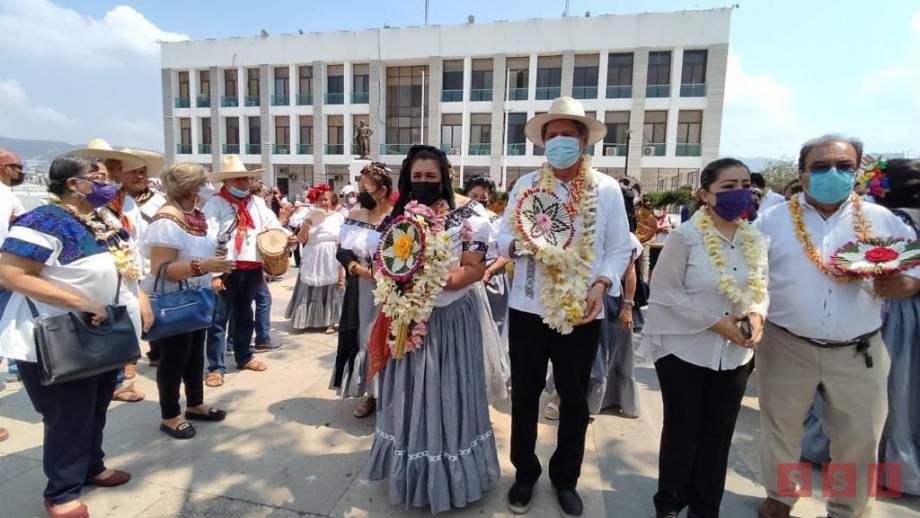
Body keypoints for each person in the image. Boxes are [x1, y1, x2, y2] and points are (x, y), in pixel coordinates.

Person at [755, 135, 920, 518]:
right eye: (821, 167)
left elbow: (914, 267)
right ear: (802, 173)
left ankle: (846, 508)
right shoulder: (772, 221)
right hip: (786, 343)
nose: (833, 174)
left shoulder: (883, 220)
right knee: (781, 428)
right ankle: (780, 496)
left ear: (857, 172)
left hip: (858, 347)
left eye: (844, 167)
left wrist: (910, 284)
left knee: (858, 437)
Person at [497, 97, 633, 516]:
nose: (559, 142)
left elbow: (619, 248)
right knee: (524, 394)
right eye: (551, 135)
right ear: (542, 142)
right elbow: (501, 241)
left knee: (575, 398)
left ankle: (565, 478)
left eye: (567, 136)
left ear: (584, 142)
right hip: (527, 307)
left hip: (581, 310)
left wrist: (603, 283)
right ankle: (524, 473)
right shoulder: (524, 187)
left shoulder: (606, 190)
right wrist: (528, 242)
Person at [0, 155, 154, 518]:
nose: (109, 183)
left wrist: (141, 300)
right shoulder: (42, 220)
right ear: (73, 183)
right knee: (68, 416)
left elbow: (127, 268)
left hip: (102, 333)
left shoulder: (105, 218)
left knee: (96, 407)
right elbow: (11, 273)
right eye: (98, 177)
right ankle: (61, 492)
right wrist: (80, 300)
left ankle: (91, 467)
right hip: (58, 338)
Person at [367, 145, 500, 514]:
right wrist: (396, 282)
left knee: (448, 394)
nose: (424, 183)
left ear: (444, 176)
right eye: (417, 177)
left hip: (452, 321)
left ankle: (453, 477)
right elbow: (385, 260)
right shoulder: (400, 215)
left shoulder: (470, 214)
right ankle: (413, 474)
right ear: (408, 178)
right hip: (406, 318)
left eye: (431, 176)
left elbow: (474, 269)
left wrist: (433, 279)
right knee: (412, 396)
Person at [642, 158, 769, 518]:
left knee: (718, 436)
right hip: (685, 350)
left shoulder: (755, 238)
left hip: (736, 356)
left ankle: (705, 508)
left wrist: (758, 315)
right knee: (683, 433)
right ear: (705, 195)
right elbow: (666, 293)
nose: (740, 192)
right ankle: (668, 504)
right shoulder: (686, 237)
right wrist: (718, 323)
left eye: (745, 184)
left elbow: (761, 287)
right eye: (728, 186)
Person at [142, 163, 234, 439]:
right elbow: (161, 267)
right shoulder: (166, 220)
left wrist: (213, 262)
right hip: (174, 298)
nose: (209, 187)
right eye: (204, 182)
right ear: (191, 187)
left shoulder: (194, 214)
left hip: (197, 293)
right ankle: (170, 414)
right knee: (174, 358)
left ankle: (195, 403)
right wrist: (202, 265)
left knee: (195, 354)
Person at [203, 156, 293, 387]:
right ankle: (215, 366)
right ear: (227, 180)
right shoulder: (215, 204)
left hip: (252, 267)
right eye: (240, 179)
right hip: (226, 268)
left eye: (246, 178)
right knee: (219, 319)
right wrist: (214, 274)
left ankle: (244, 356)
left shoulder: (257, 203)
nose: (245, 183)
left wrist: (282, 238)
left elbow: (271, 226)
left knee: (245, 315)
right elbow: (208, 238)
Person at [73, 139, 148, 403]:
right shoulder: (64, 214)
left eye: (114, 169)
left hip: (125, 280)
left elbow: (135, 239)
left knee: (121, 328)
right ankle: (112, 382)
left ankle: (117, 379)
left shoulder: (123, 204)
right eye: (103, 172)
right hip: (89, 292)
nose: (111, 176)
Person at [331, 162, 393, 418]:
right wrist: (360, 270)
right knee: (363, 337)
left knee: (389, 339)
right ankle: (370, 393)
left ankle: (391, 393)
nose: (360, 194)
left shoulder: (398, 216)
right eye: (359, 189)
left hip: (390, 290)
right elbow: (342, 250)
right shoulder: (355, 216)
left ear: (383, 190)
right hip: (361, 287)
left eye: (366, 189)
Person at [285, 184, 345, 333]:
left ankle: (332, 320)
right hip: (312, 253)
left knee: (332, 286)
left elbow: (342, 239)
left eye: (325, 199)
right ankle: (306, 320)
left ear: (331, 200)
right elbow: (301, 239)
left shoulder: (339, 217)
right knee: (309, 286)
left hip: (331, 253)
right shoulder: (309, 215)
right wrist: (306, 226)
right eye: (319, 199)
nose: (322, 202)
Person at [0, 149, 26, 387]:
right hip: (4, 263)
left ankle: (16, 366)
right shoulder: (6, 195)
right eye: (16, 167)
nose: (20, 172)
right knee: (10, 316)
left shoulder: (10, 195)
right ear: (4, 168)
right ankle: (16, 366)